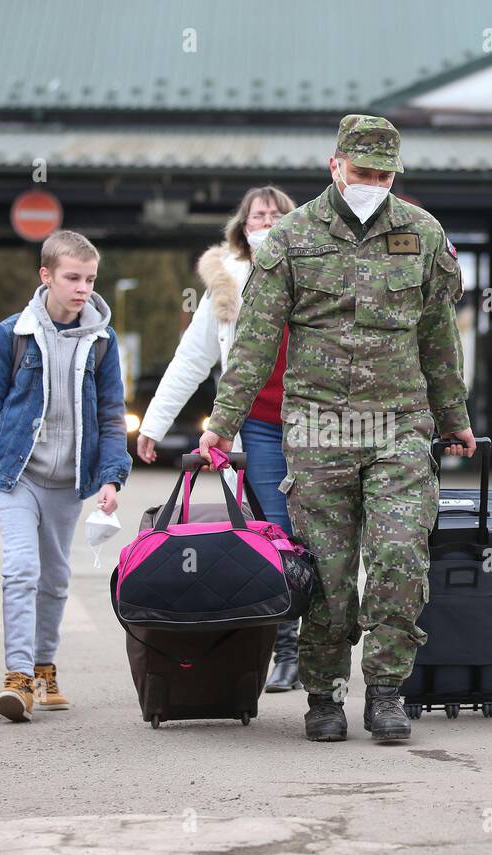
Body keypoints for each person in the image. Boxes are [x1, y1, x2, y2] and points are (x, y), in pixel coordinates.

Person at [198, 114, 476, 743]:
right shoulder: (290, 239)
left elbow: (438, 338)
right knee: (325, 570)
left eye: (384, 175)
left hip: (398, 425)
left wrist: (454, 418)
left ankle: (385, 691)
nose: (372, 183)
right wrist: (224, 423)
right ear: (335, 166)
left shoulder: (422, 234)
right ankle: (323, 695)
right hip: (318, 427)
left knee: (400, 555)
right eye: (362, 172)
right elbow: (256, 339)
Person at [0, 229, 132, 722]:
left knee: (55, 578)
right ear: (46, 276)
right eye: (72, 278)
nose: (83, 288)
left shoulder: (102, 341)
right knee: (20, 570)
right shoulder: (11, 334)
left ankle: (43, 666)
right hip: (17, 477)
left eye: (90, 279)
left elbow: (112, 411)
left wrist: (111, 477)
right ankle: (16, 677)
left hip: (69, 481)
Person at [137, 185, 306, 692]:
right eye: (259, 216)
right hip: (257, 422)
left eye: (278, 215)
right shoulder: (227, 283)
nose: (268, 222)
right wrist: (153, 426)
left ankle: (327, 648)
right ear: (242, 226)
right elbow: (193, 359)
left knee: (326, 531)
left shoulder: (317, 269)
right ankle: (287, 648)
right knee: (276, 529)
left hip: (320, 422)